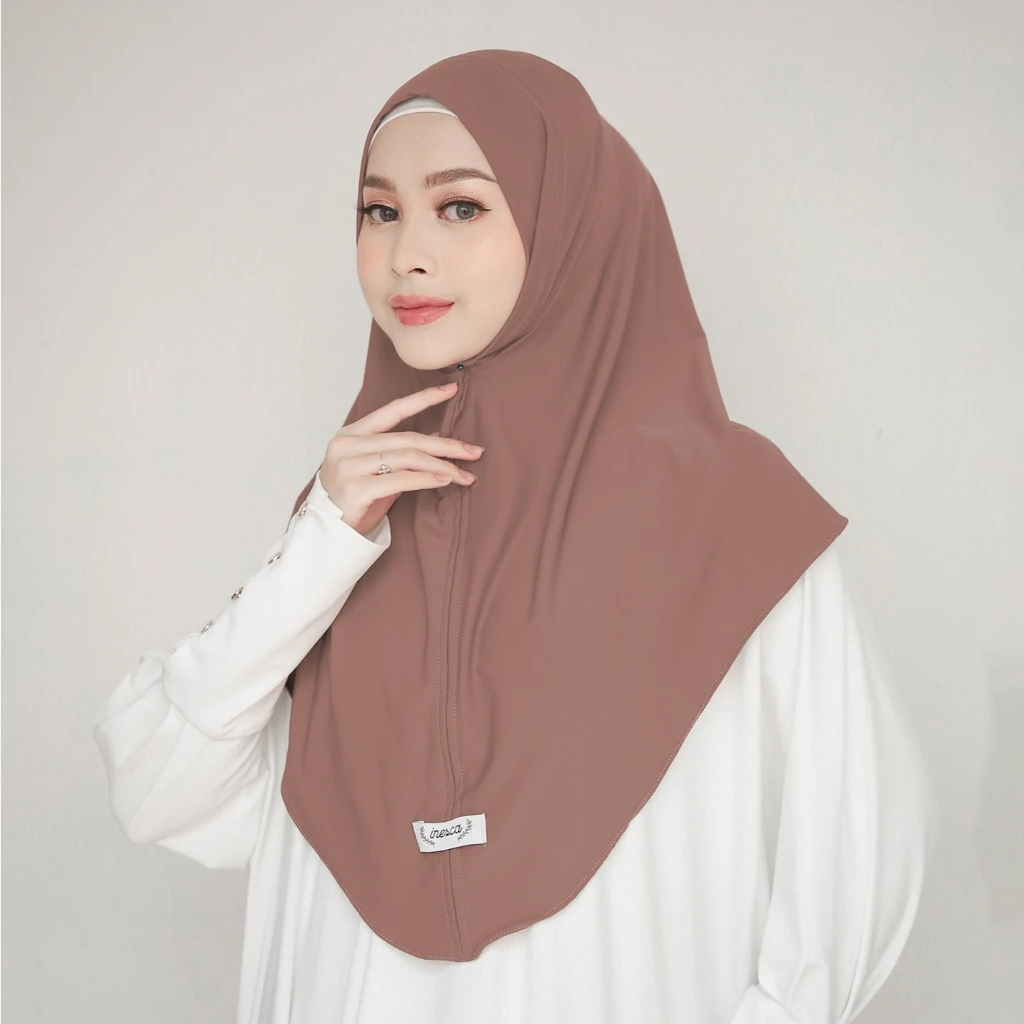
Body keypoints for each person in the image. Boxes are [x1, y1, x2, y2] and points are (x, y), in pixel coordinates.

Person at [93, 50, 938, 1023]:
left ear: (570, 221)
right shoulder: (346, 529)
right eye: (380, 211)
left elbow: (861, 834)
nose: (407, 254)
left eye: (459, 207)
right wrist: (321, 541)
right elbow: (158, 791)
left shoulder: (729, 510)